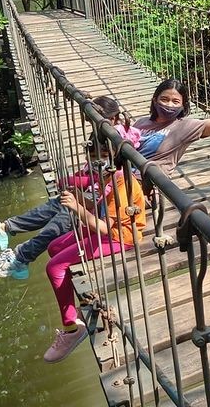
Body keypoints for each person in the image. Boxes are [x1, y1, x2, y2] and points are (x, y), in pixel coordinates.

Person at [0, 96, 140, 279]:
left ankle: (19, 255)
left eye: (93, 119)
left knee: (69, 212)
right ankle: (5, 229)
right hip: (100, 196)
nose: (91, 123)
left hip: (111, 213)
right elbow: (94, 176)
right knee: (62, 201)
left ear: (111, 119)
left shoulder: (118, 143)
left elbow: (107, 188)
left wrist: (77, 196)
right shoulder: (105, 139)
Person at [43, 132, 146, 363]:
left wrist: (78, 208)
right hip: (107, 227)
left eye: (103, 156)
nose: (97, 162)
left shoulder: (122, 181)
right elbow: (100, 207)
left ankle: (72, 328)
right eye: (92, 157)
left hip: (122, 236)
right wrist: (81, 198)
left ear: (115, 157)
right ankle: (77, 309)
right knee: (54, 246)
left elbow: (106, 228)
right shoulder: (108, 175)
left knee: (54, 266)